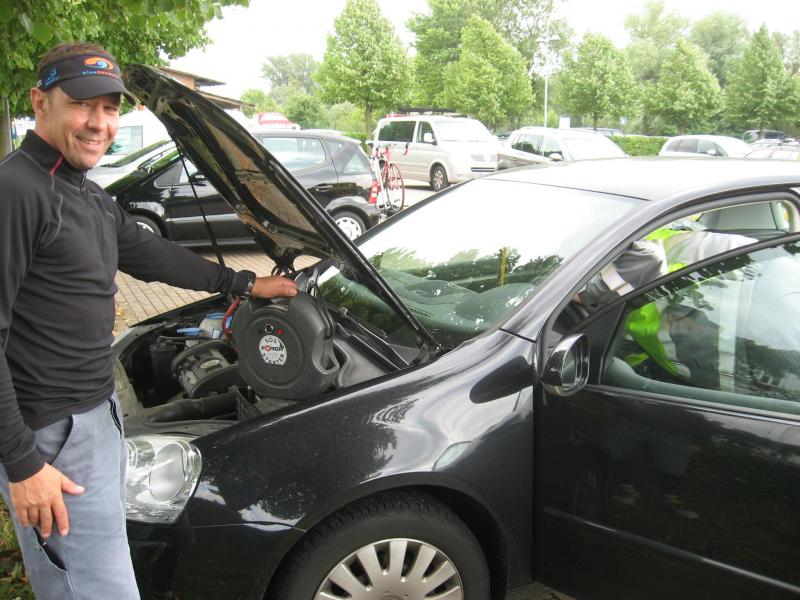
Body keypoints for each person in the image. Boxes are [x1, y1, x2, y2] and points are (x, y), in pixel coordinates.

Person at [0, 41, 297, 599]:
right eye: (82, 104)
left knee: (89, 578)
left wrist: (245, 283)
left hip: (98, 416)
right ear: (40, 102)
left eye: (110, 108)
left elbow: (153, 256)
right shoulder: (16, 191)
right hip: (54, 433)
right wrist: (22, 465)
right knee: (98, 588)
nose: (99, 123)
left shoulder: (85, 194)